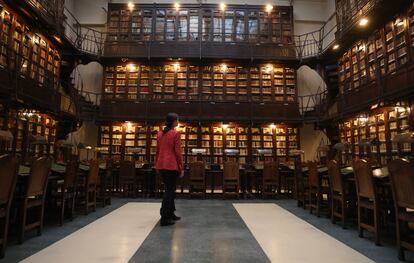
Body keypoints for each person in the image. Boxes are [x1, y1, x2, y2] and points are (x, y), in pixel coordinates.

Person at [155, 113, 184, 226]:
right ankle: (165, 217)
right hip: (171, 166)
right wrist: (181, 166)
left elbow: (157, 151)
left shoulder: (159, 134)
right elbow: (177, 152)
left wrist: (156, 165)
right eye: (177, 120)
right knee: (169, 191)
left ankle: (171, 213)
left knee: (169, 190)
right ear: (173, 122)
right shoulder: (176, 133)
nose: (178, 121)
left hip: (161, 165)